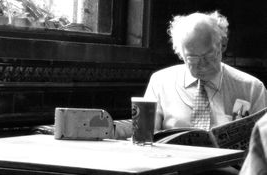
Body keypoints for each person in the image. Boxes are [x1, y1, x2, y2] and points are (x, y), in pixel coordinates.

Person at [114, 11, 267, 138]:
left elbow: (262, 148)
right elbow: (145, 134)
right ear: (180, 54)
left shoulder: (252, 87)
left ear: (222, 46)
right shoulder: (161, 82)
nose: (203, 64)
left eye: (210, 55)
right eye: (193, 58)